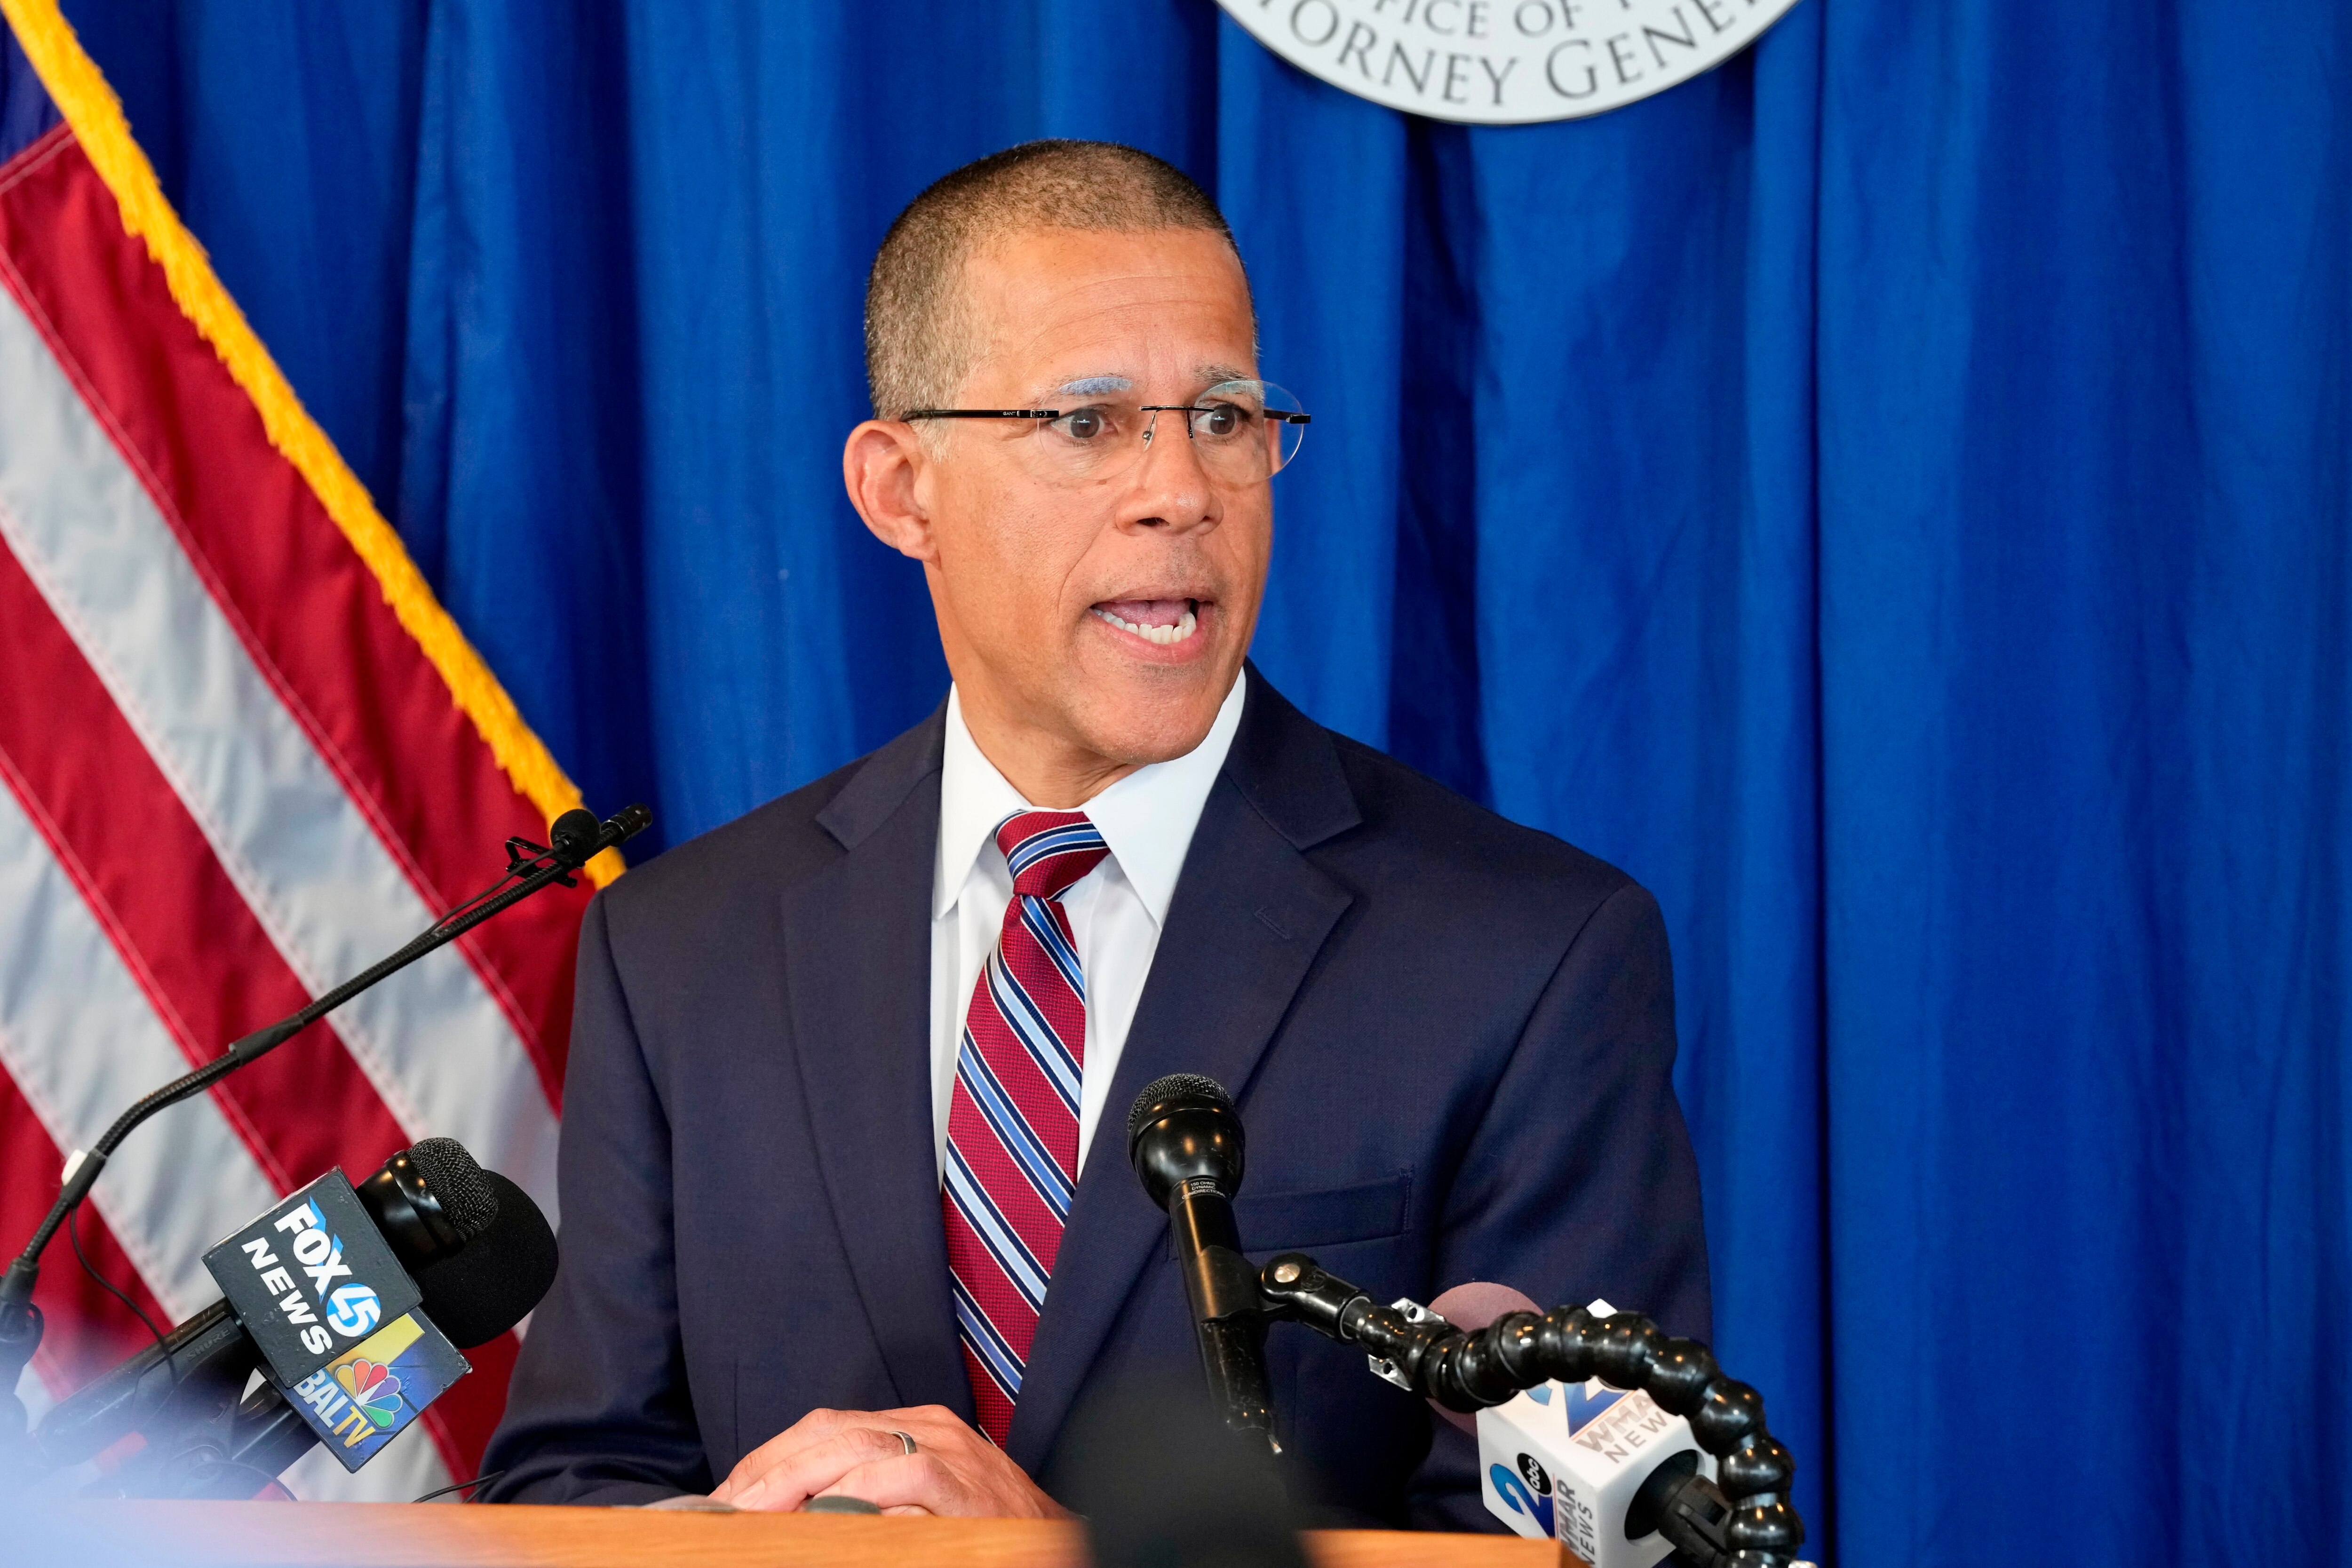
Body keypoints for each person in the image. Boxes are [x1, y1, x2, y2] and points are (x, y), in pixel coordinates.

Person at [482, 140, 1708, 1529]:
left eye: (1229, 417)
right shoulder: (682, 948)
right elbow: (575, 1489)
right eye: (1088, 422)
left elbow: (1557, 1550)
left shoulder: (1530, 958)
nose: (1182, 490)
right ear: (902, 491)